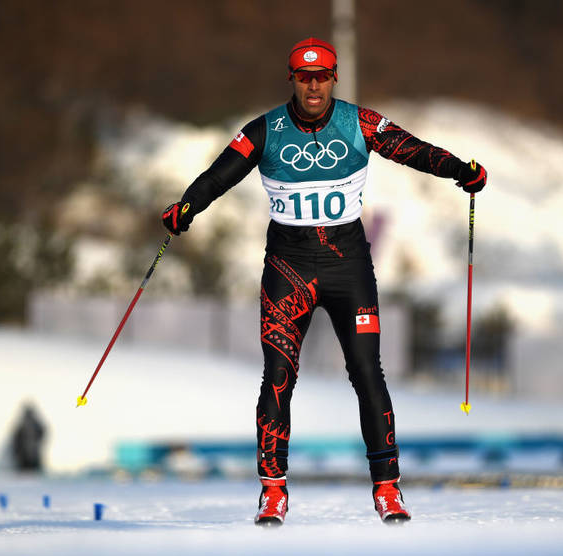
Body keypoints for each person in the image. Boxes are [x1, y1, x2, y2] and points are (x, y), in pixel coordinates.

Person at [162, 37, 486, 526]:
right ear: (292, 79)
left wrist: (461, 171)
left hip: (347, 267)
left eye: (321, 77)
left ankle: (388, 489)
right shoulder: (264, 130)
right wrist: (186, 207)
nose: (313, 86)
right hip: (288, 269)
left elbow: (412, 150)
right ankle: (273, 492)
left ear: (334, 78)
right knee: (278, 375)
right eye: (304, 77)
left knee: (367, 373)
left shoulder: (359, 123)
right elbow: (218, 176)